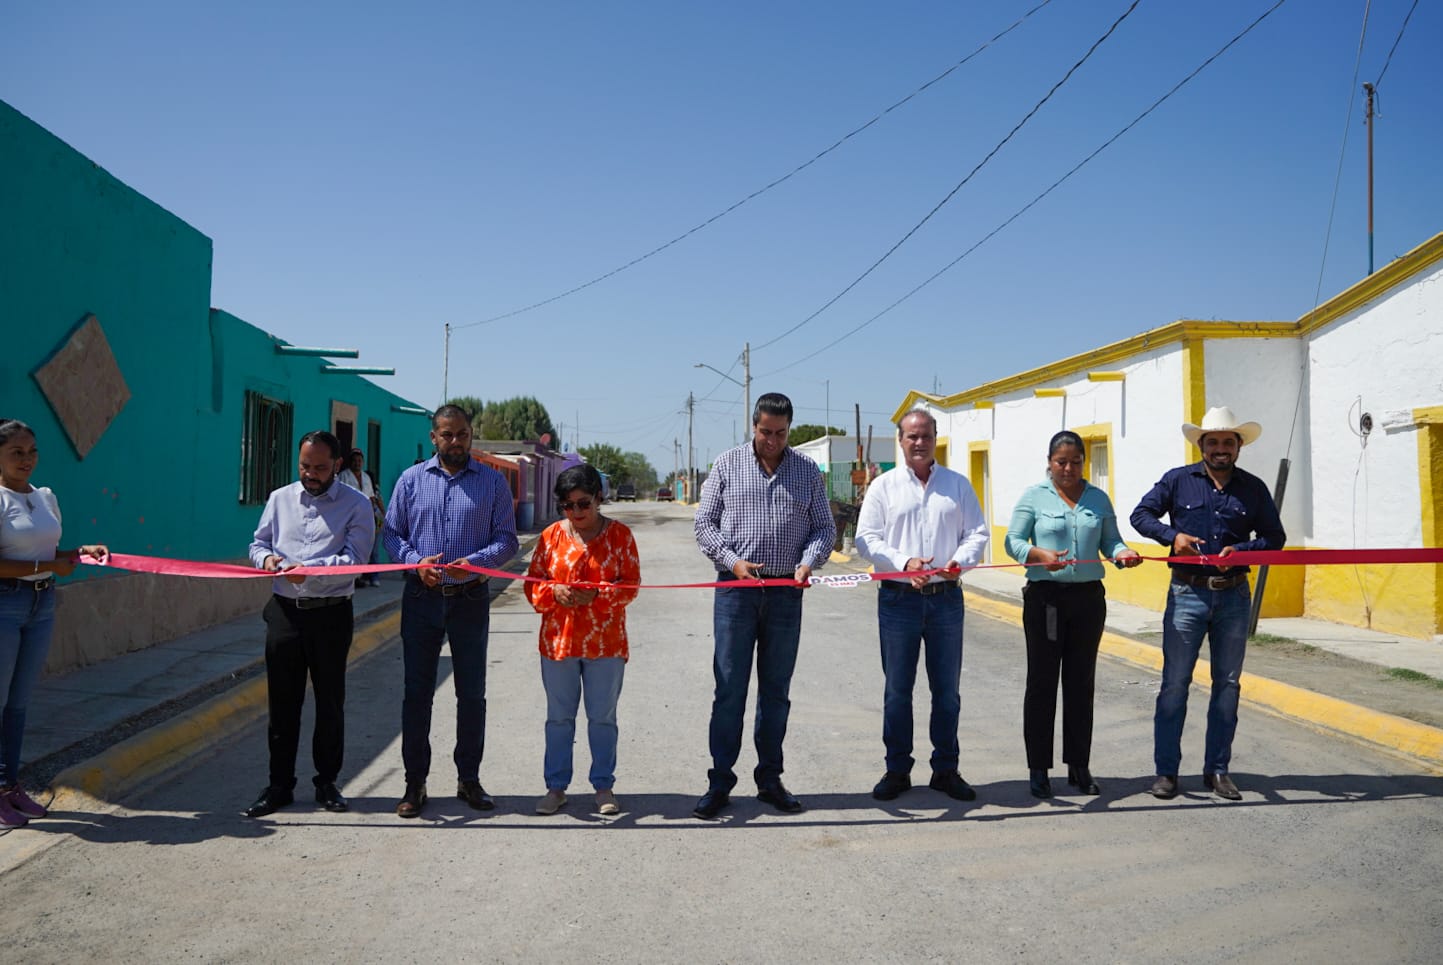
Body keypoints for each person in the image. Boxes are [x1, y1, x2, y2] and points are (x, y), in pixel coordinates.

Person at [1130, 406, 1285, 801]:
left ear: (1238, 447)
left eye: (1227, 442)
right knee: (1175, 686)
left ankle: (1217, 770)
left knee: (1228, 686)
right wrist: (1172, 537)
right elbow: (1140, 515)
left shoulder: (1253, 488)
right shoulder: (1177, 481)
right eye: (1213, 441)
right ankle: (1166, 772)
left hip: (1234, 597)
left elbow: (1274, 538)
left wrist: (1244, 549)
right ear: (1201, 445)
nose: (1220, 448)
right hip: (1187, 595)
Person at [692, 392, 835, 819]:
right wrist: (732, 561)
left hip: (785, 594)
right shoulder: (727, 465)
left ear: (789, 430)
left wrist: (809, 562)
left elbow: (824, 528)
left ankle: (770, 779)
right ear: (753, 426)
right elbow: (704, 524)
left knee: (776, 692)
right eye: (765, 432)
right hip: (736, 593)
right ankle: (720, 781)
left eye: (780, 433)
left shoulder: (807, 471)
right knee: (730, 688)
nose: (772, 440)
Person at [383, 405, 518, 819]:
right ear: (434, 437)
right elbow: (391, 533)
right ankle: (414, 782)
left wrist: (476, 563)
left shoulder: (493, 483)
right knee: (417, 694)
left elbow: (508, 540)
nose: (455, 441)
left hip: (470, 600)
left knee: (471, 694)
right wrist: (415, 562)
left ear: (471, 435)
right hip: (421, 599)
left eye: (461, 434)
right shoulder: (410, 481)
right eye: (447, 434)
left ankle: (469, 779)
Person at [855, 409, 989, 804]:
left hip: (946, 599)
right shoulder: (884, 487)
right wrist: (903, 563)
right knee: (898, 690)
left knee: (947, 691)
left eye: (926, 435)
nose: (919, 442)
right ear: (900, 440)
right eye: (912, 436)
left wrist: (957, 563)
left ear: (934, 438)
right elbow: (866, 538)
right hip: (898, 601)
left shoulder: (958, 486)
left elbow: (977, 533)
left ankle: (946, 769)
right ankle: (897, 769)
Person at [1005, 430, 1142, 800]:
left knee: (1081, 683)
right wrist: (1037, 556)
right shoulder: (1034, 496)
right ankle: (1038, 769)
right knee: (1042, 683)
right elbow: (1012, 541)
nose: (1068, 468)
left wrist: (1122, 553)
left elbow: (1111, 540)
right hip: (1045, 600)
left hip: (1087, 600)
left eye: (1076, 461)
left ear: (1084, 462)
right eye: (1061, 461)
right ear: (1049, 462)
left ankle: (1079, 766)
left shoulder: (1098, 498)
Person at [244, 430, 374, 818]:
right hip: (285, 612)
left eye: (319, 467)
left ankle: (327, 783)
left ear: (336, 464)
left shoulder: (357, 505)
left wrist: (311, 572)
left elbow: (357, 559)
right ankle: (279, 786)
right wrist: (266, 561)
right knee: (283, 704)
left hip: (331, 614)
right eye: (304, 466)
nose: (311, 474)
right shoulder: (279, 499)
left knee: (330, 702)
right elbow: (257, 544)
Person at [0, 418, 107, 829]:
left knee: (18, 703)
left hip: (40, 603)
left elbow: (49, 548)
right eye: (16, 452)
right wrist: (51, 564)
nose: (27, 459)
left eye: (32, 451)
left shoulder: (43, 497)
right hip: (6, 604)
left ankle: (10, 785)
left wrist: (79, 552)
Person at [523, 464, 640, 816]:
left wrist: (599, 595)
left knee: (602, 717)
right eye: (568, 505)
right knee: (558, 718)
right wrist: (552, 591)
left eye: (583, 503)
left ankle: (603, 786)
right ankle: (556, 787)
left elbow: (631, 585)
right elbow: (533, 584)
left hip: (605, 644)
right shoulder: (551, 537)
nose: (576, 512)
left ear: (599, 499)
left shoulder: (620, 537)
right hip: (559, 643)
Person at [339, 448, 384, 587]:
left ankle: (371, 576)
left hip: (366, 517)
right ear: (350, 462)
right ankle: (354, 578)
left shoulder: (366, 477)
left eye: (359, 461)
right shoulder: (343, 476)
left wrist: (377, 514)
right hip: (349, 517)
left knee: (370, 547)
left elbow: (371, 497)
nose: (357, 463)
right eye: (355, 461)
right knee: (351, 546)